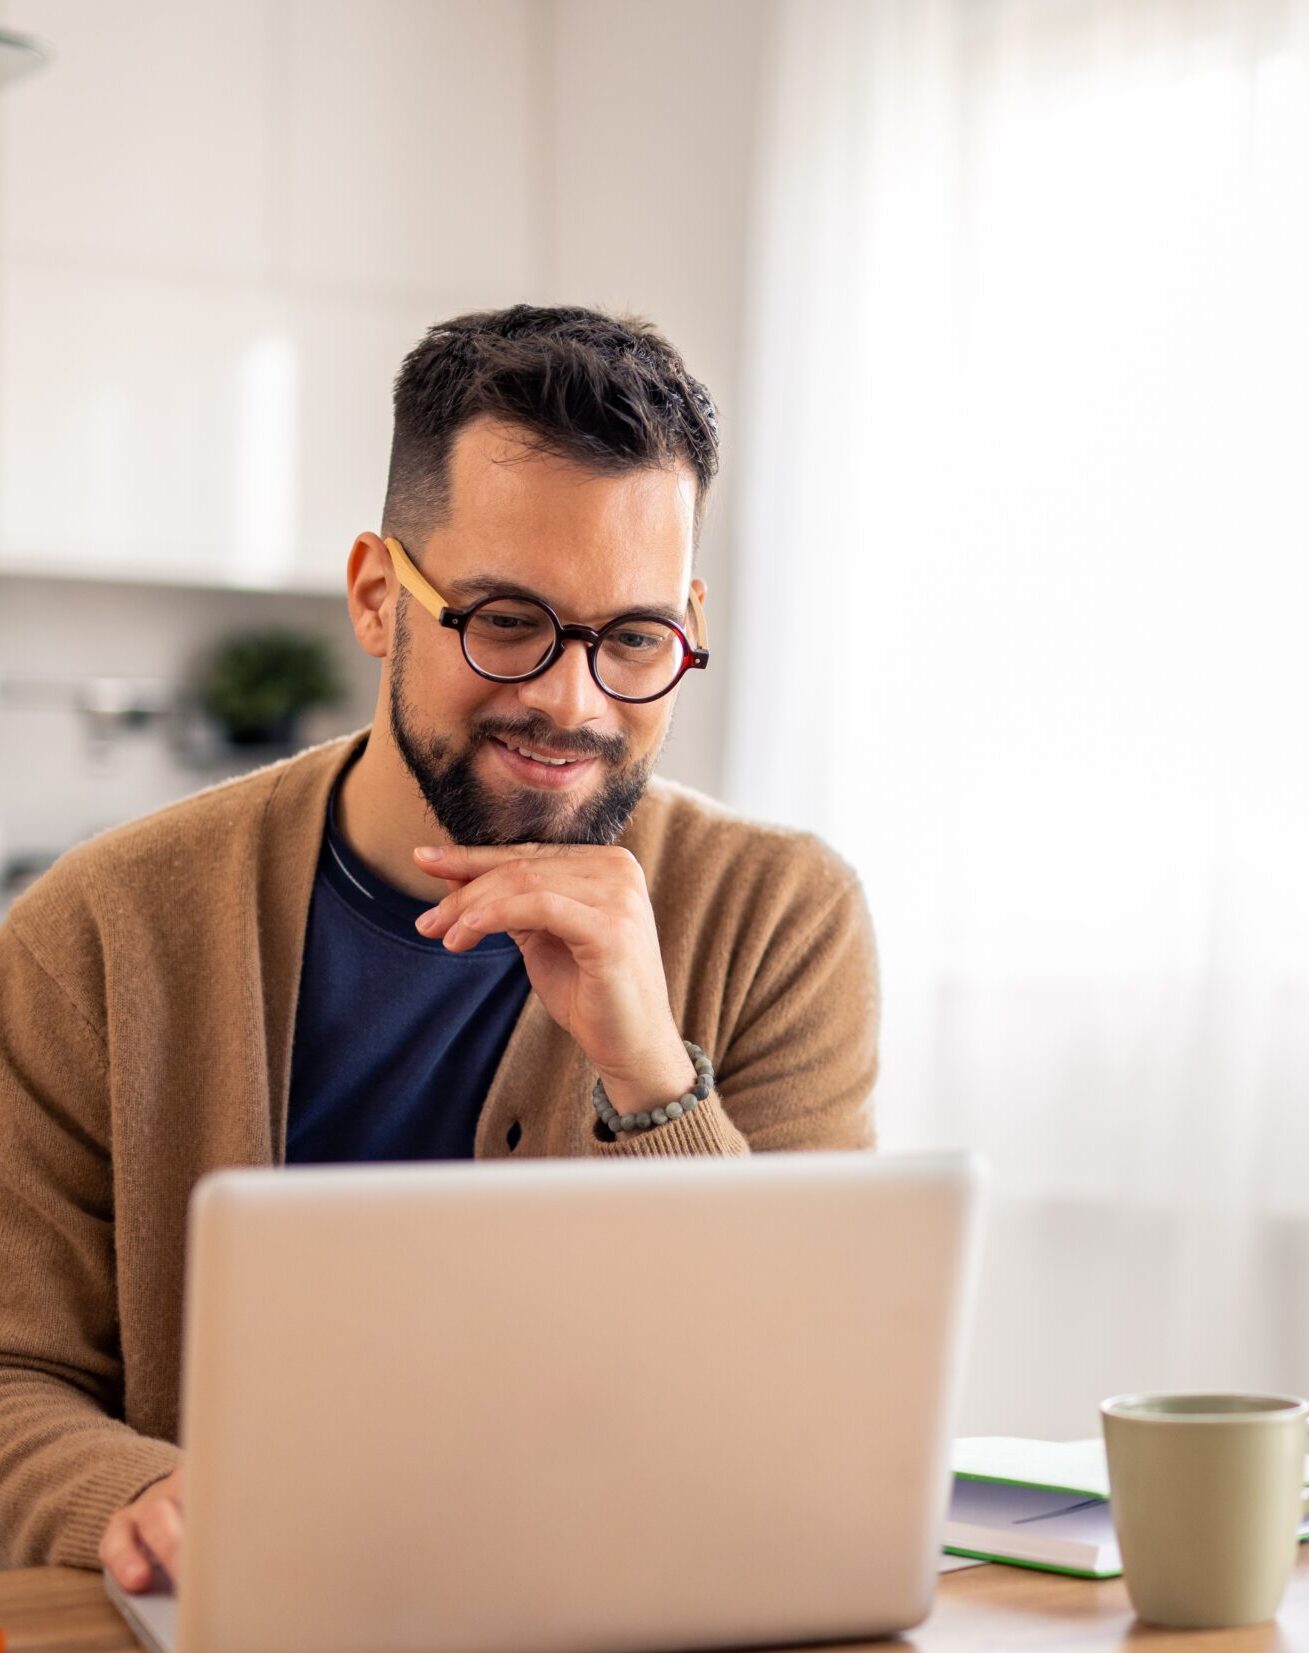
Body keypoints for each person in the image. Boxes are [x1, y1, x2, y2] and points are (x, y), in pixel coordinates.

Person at [0, 305, 878, 1581]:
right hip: (247, 1631)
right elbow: (15, 1372)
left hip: (627, 1635)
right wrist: (157, 1500)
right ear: (377, 595)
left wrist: (651, 1076)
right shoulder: (98, 928)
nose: (571, 704)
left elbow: (816, 1405)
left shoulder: (784, 914)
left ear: (684, 625)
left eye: (633, 638)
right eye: (507, 621)